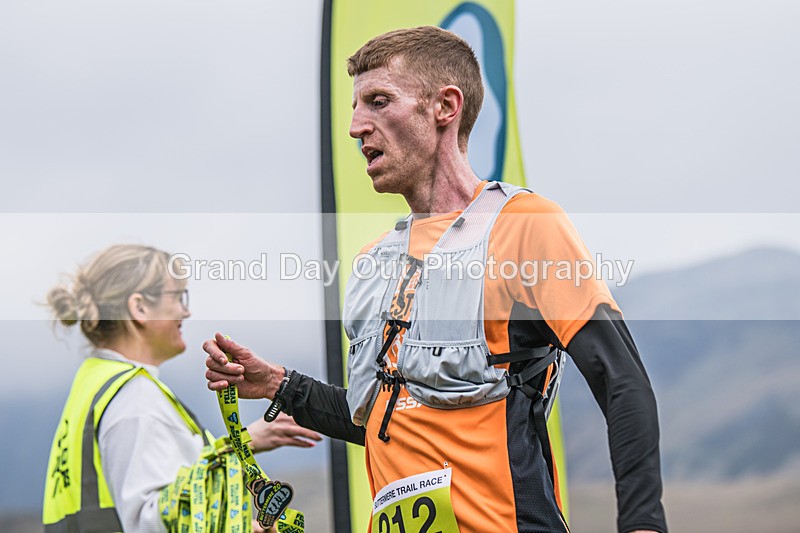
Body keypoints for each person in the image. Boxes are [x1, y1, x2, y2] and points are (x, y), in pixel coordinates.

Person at [205, 26, 667, 533]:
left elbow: (621, 380)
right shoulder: (374, 260)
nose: (357, 127)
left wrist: (642, 523)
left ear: (445, 106)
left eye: (379, 101)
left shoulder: (523, 226)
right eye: (356, 108)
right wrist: (279, 385)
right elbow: (388, 418)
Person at [43, 244, 321, 532]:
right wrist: (236, 449)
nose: (186, 312)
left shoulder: (94, 384)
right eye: (178, 297)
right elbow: (153, 521)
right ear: (139, 308)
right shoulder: (135, 398)